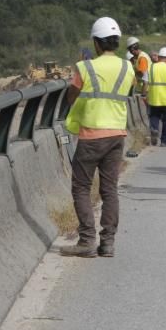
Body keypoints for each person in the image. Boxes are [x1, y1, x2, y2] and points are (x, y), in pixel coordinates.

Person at [60, 17, 135, 258]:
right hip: (116, 135)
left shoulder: (86, 68)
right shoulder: (127, 67)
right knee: (109, 189)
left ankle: (86, 241)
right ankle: (108, 243)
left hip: (92, 135)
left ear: (97, 43)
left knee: (81, 187)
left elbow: (72, 96)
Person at [143, 46, 166, 147]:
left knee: (154, 116)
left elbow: (145, 83)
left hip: (154, 98)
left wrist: (144, 94)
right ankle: (164, 141)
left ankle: (154, 129)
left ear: (159, 57)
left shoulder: (151, 67)